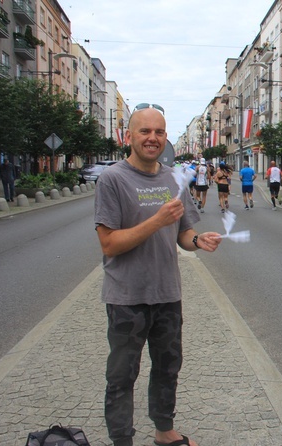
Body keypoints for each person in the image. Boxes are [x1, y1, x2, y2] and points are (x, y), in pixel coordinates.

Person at [94, 103, 222, 446]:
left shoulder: (173, 179)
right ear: (130, 136)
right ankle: (122, 440)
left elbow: (181, 234)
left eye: (159, 132)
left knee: (167, 368)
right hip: (126, 298)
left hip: (167, 293)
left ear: (166, 138)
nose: (153, 138)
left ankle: (164, 433)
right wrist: (156, 221)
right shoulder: (113, 179)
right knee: (122, 375)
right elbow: (109, 243)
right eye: (145, 131)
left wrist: (197, 240)